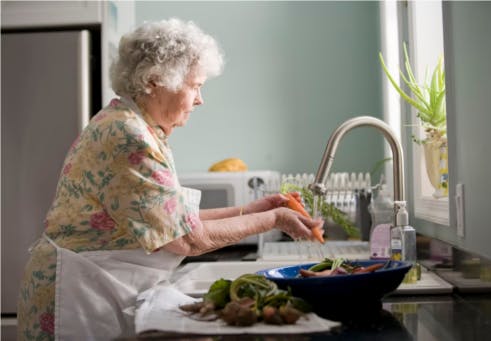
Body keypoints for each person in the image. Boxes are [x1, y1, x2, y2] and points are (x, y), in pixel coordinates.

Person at [17, 18, 323, 340]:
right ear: (155, 80)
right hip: (78, 297)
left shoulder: (134, 127)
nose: (200, 99)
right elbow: (187, 239)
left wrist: (253, 210)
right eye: (195, 86)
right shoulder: (127, 136)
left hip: (96, 286)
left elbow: (172, 222)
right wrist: (274, 218)